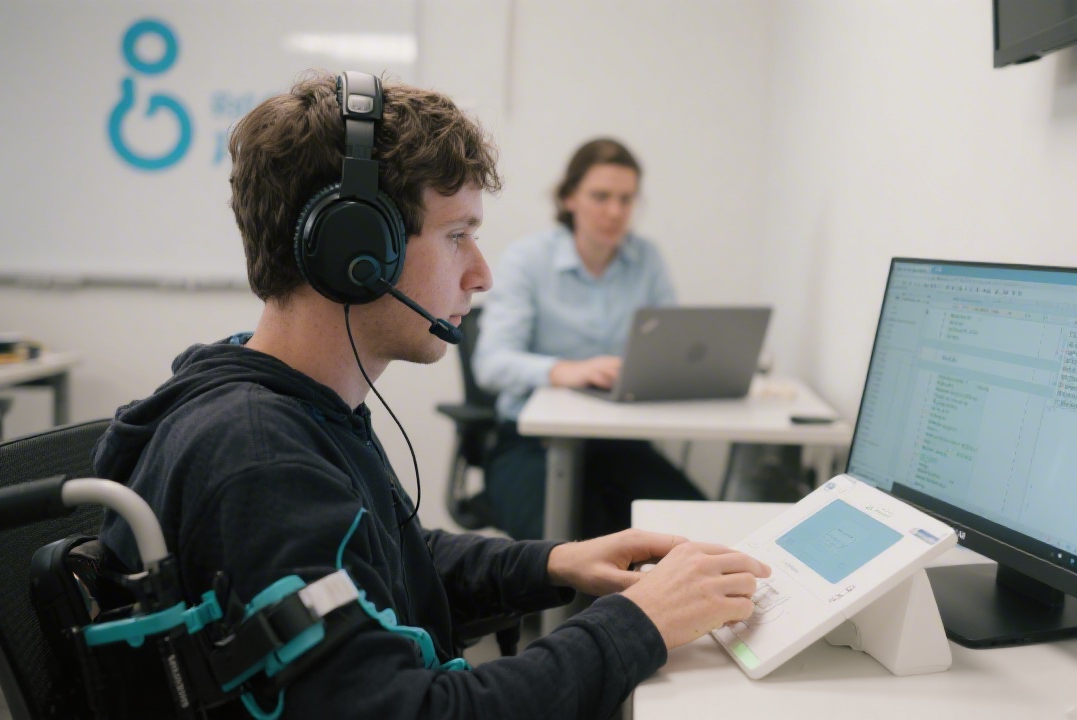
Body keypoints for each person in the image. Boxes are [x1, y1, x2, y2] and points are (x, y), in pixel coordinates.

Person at [95, 71, 768, 719]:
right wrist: (636, 624)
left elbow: (390, 558)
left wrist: (556, 563)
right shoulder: (260, 459)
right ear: (355, 251)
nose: (481, 275)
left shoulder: (301, 408)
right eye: (457, 237)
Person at [473, 139, 706, 541]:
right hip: (533, 443)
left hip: (620, 442)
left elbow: (670, 352)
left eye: (626, 199)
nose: (615, 212)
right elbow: (490, 364)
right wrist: (566, 371)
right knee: (566, 546)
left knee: (696, 531)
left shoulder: (647, 259)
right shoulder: (527, 261)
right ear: (568, 199)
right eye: (601, 196)